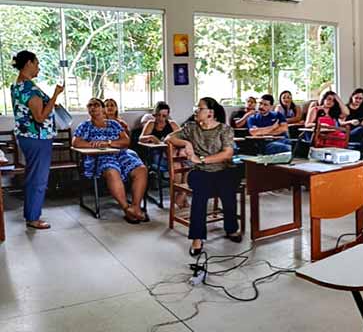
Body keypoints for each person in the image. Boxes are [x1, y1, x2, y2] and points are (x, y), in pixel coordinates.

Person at [167, 97, 241, 256]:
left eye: (199, 108)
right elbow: (169, 138)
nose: (196, 110)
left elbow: (228, 154)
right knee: (200, 194)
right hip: (200, 172)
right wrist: (186, 144)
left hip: (223, 169)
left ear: (210, 113)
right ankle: (197, 238)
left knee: (228, 189)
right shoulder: (191, 128)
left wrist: (201, 159)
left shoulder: (224, 129)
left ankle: (231, 229)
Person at [73, 98, 149, 224]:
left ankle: (135, 206)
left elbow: (126, 141)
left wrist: (108, 143)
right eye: (90, 105)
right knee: (112, 171)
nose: (93, 108)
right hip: (100, 157)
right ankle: (126, 209)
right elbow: (76, 142)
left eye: (96, 105)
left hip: (120, 154)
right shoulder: (85, 126)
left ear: (103, 109)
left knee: (141, 169)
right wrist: (96, 145)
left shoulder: (114, 124)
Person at [10, 50, 63, 230]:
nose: (38, 67)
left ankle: (31, 214)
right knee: (38, 178)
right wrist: (55, 95)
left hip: (28, 137)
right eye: (37, 63)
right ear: (28, 63)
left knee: (34, 175)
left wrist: (49, 103)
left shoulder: (18, 85)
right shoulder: (29, 88)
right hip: (37, 138)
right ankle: (33, 218)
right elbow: (40, 117)